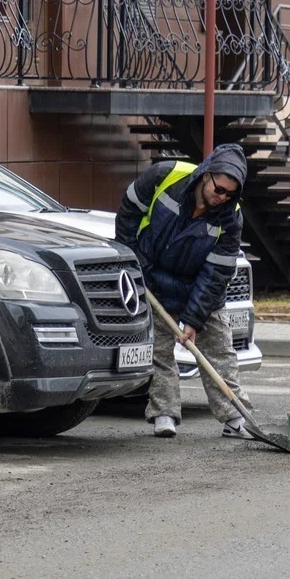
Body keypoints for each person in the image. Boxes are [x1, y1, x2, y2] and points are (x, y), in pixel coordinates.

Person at [115, 143, 253, 439]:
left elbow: (217, 272)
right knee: (159, 351)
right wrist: (132, 261)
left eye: (230, 194)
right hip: (152, 277)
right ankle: (164, 413)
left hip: (200, 288)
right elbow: (127, 214)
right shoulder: (165, 176)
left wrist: (194, 319)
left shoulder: (231, 218)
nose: (222, 197)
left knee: (220, 352)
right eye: (219, 189)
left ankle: (237, 418)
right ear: (207, 174)